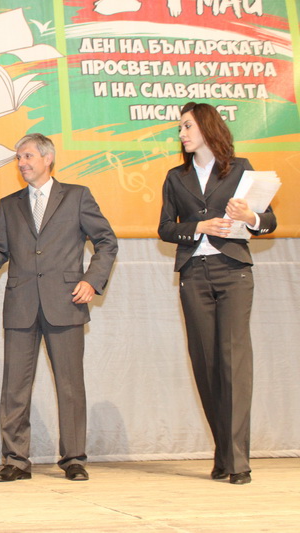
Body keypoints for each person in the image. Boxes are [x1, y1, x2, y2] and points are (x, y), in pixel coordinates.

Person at [0, 133, 117, 482]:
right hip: (21, 304)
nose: (21, 163)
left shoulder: (77, 196)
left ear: (47, 158)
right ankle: (15, 460)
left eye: (27, 156)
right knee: (15, 386)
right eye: (18, 158)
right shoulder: (9, 204)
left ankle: (73, 459)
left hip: (66, 302)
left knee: (70, 386)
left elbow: (106, 241)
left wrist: (92, 280)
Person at [158, 102, 277, 485]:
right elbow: (165, 228)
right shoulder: (176, 177)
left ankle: (238, 460)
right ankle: (224, 451)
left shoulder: (240, 169)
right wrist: (198, 226)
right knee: (206, 364)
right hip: (193, 273)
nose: (181, 134)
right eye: (180, 128)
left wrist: (249, 217)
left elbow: (269, 222)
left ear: (207, 128)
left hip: (233, 272)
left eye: (187, 126)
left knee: (233, 362)